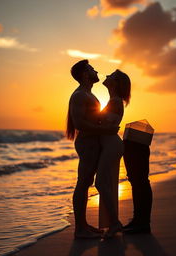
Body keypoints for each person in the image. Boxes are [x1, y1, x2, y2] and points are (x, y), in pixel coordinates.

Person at [66, 59, 118, 239]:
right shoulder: (80, 95)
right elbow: (79, 123)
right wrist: (106, 130)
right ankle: (79, 229)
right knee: (83, 183)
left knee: (86, 182)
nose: (96, 71)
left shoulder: (88, 94)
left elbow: (94, 119)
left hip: (92, 143)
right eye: (91, 69)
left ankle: (83, 225)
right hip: (87, 144)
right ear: (84, 74)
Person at [95, 70, 131, 238]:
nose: (106, 76)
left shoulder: (115, 102)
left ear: (115, 83)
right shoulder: (113, 101)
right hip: (110, 145)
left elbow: (105, 126)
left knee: (101, 183)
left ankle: (115, 223)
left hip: (112, 145)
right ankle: (112, 223)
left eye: (111, 75)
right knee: (105, 184)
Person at [122, 140, 152, 234]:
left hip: (136, 138)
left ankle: (142, 222)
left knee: (139, 179)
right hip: (135, 138)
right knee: (137, 180)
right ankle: (139, 220)